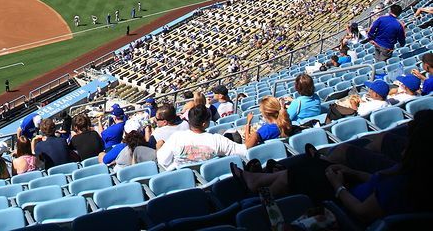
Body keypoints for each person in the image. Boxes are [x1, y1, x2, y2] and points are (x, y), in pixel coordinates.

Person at [233, 111, 433, 225]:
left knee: (305, 171)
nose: (403, 147)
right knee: (313, 166)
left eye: (409, 145)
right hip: (354, 187)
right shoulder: (417, 176)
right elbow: (376, 182)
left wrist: (339, 187)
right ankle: (262, 182)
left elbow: (362, 211)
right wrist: (353, 172)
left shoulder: (400, 185)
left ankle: (259, 196)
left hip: (344, 209)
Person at [157, 105, 247, 170]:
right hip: (211, 182)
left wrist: (159, 148)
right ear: (205, 123)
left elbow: (163, 161)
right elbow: (244, 151)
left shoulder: (176, 137)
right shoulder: (217, 139)